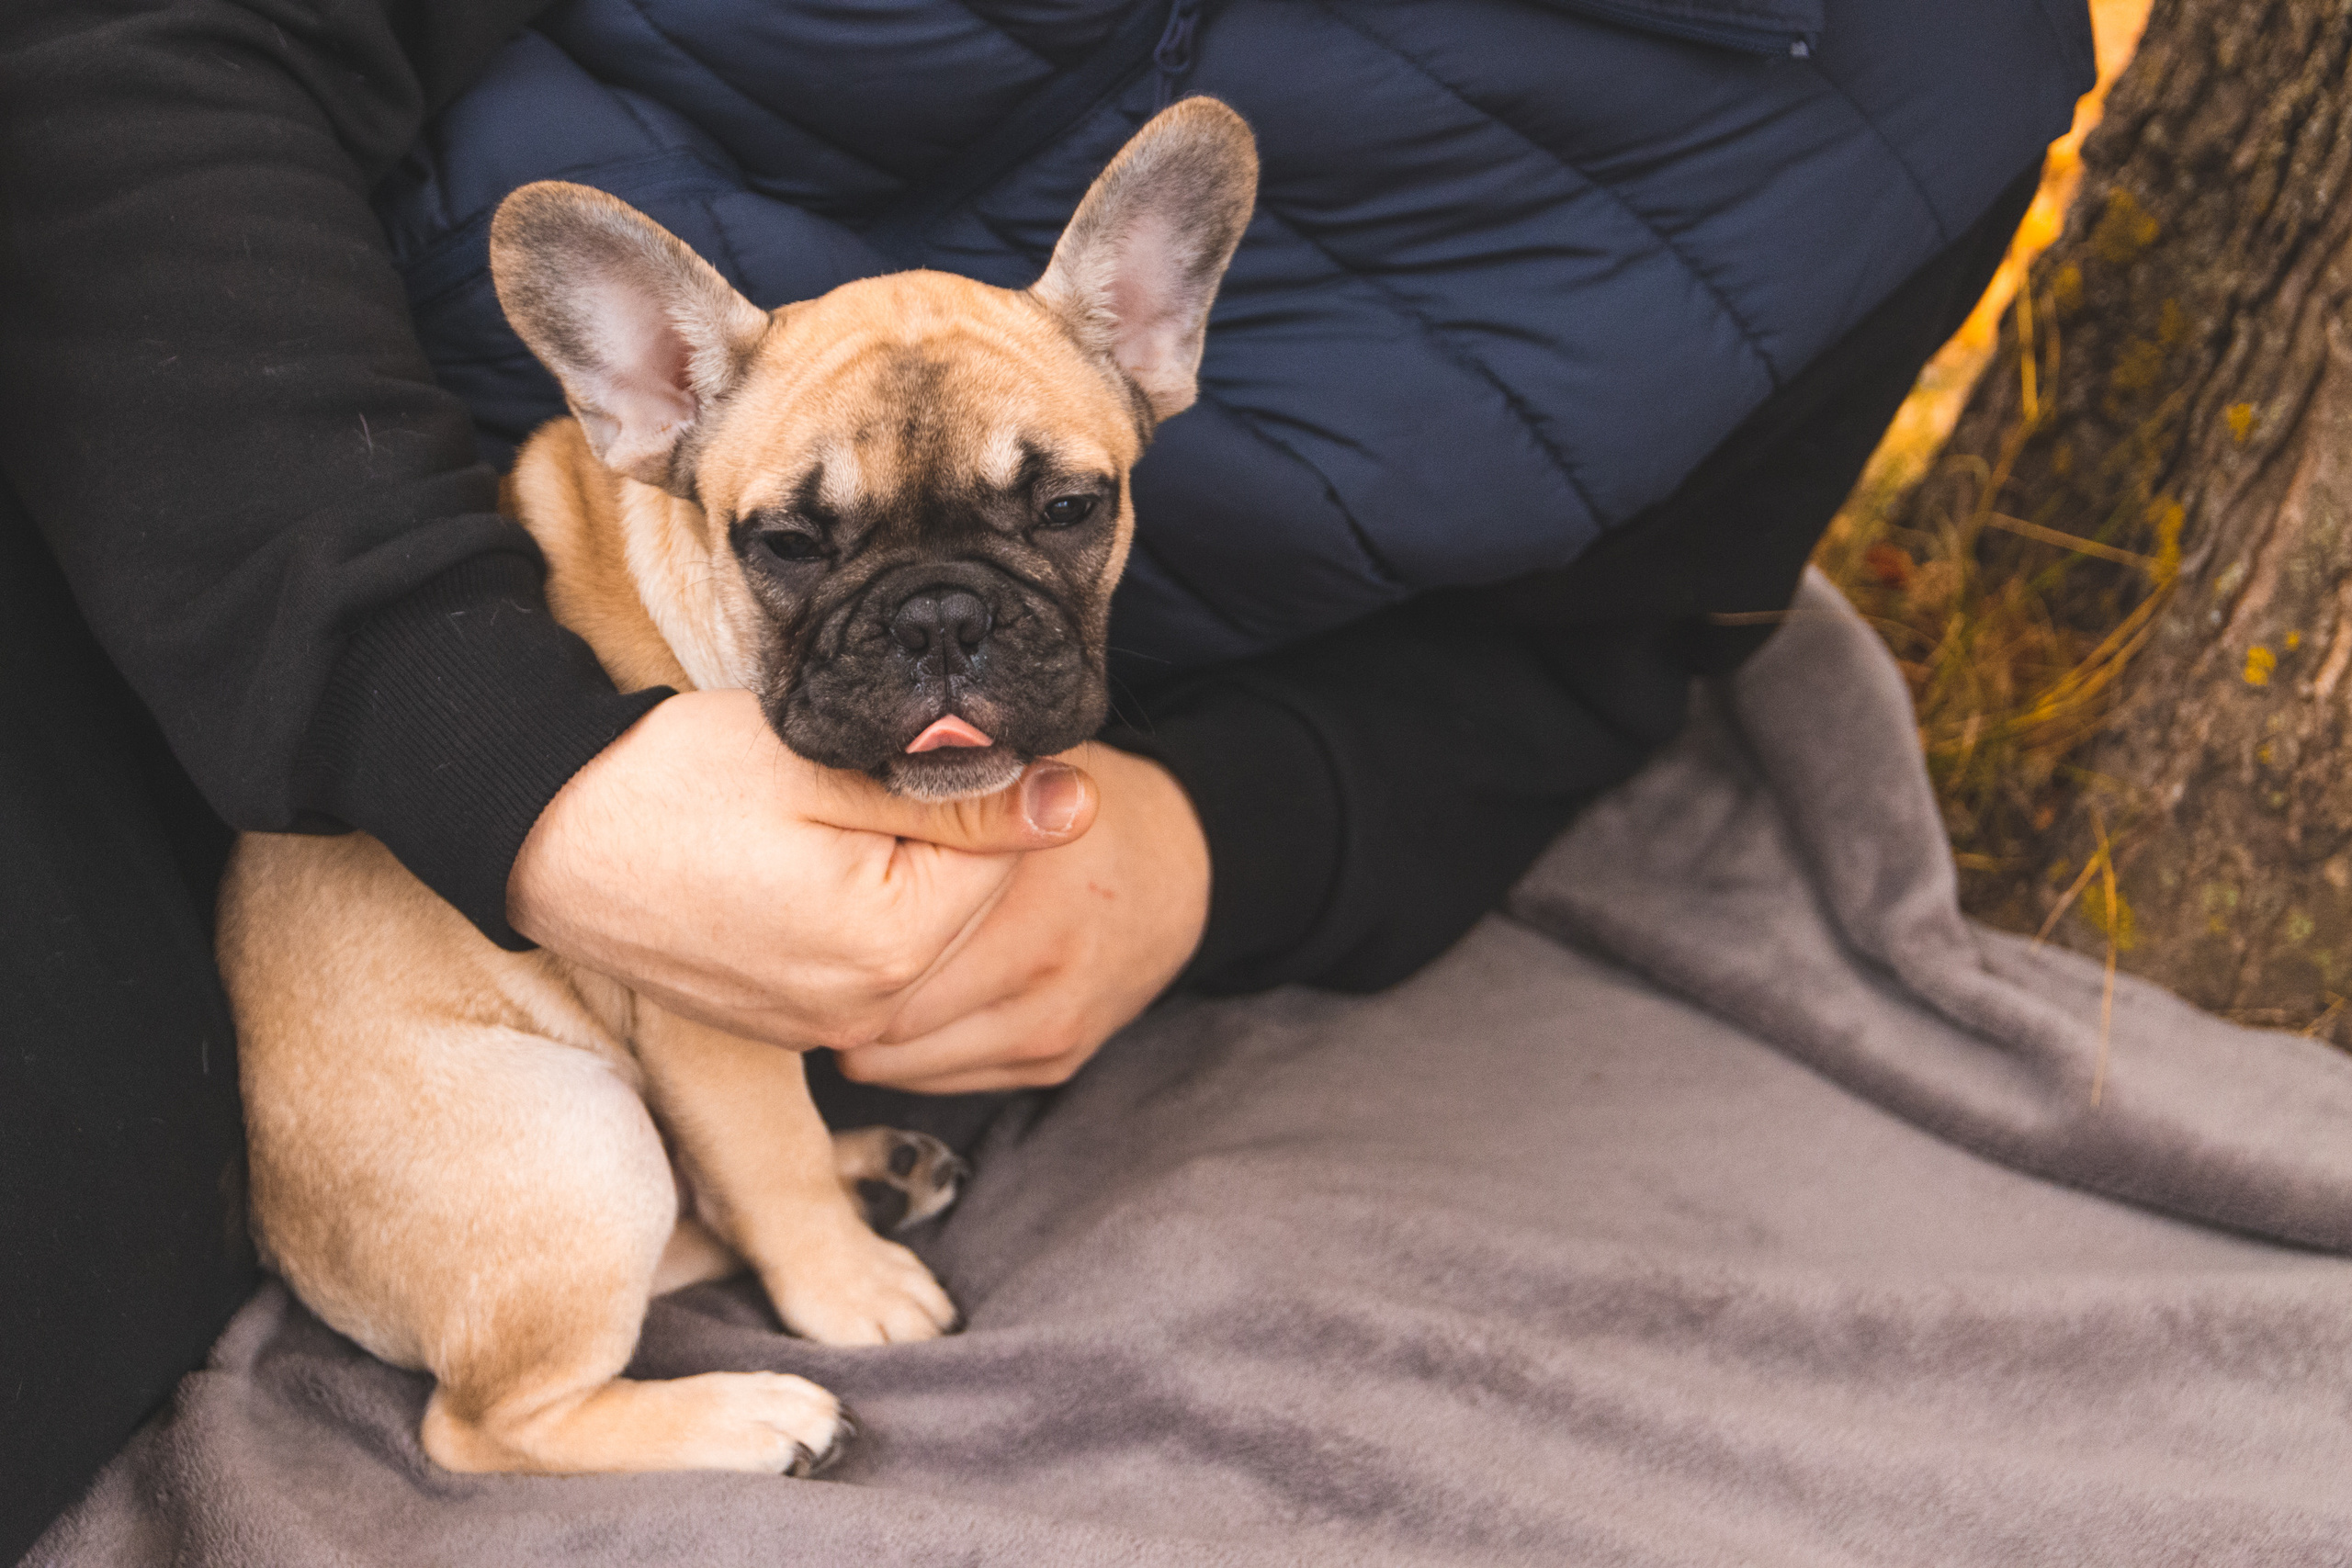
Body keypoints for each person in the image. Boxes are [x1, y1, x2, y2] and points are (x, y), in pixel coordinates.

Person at [0, 0, 2088, 1554]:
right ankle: (536, 1403)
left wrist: (1207, 842)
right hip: (223, 572)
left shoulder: (1915, 101)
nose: (931, 621)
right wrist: (512, 762)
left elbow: (1615, 646)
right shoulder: (623, 533)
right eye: (807, 548)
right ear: (642, 405)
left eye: (1045, 518)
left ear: (1156, 347)